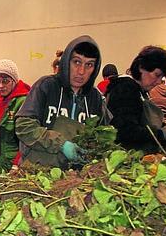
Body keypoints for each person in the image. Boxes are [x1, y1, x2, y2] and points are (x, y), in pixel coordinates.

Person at [15, 35, 110, 169]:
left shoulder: (95, 99)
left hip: (76, 179)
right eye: (77, 62)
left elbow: (103, 137)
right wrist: (61, 144)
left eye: (89, 65)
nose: (81, 71)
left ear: (95, 69)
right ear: (66, 62)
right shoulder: (46, 86)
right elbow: (23, 126)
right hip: (39, 174)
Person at [106, 46, 166, 153]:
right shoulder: (126, 89)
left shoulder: (139, 91)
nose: (158, 82)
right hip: (128, 155)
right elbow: (126, 131)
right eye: (156, 75)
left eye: (161, 77)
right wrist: (162, 133)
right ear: (141, 67)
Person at [0, 59, 30, 172]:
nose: (1, 85)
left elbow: (27, 139)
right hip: (0, 163)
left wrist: (16, 165)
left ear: (14, 81)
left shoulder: (23, 102)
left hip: (14, 166)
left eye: (5, 81)